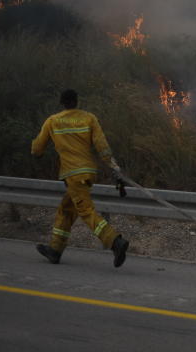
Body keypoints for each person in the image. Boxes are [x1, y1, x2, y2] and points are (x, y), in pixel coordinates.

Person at [31, 89, 129, 267]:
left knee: (86, 211)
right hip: (88, 173)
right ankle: (55, 250)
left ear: (62, 103)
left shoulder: (53, 121)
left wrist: (36, 151)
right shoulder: (89, 118)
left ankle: (115, 242)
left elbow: (37, 149)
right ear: (77, 101)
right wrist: (114, 167)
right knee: (66, 209)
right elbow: (102, 146)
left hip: (72, 174)